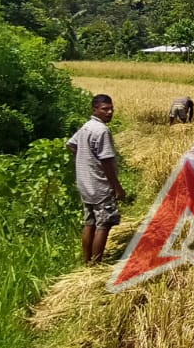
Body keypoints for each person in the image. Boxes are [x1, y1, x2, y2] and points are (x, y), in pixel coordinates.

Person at [67, 94, 126, 265]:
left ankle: (87, 262)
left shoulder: (86, 126)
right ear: (95, 110)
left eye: (111, 109)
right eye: (105, 109)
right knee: (104, 224)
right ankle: (96, 264)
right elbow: (106, 161)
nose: (109, 112)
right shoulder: (102, 130)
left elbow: (71, 144)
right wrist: (117, 187)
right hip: (99, 185)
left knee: (90, 222)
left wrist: (86, 159)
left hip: (85, 184)